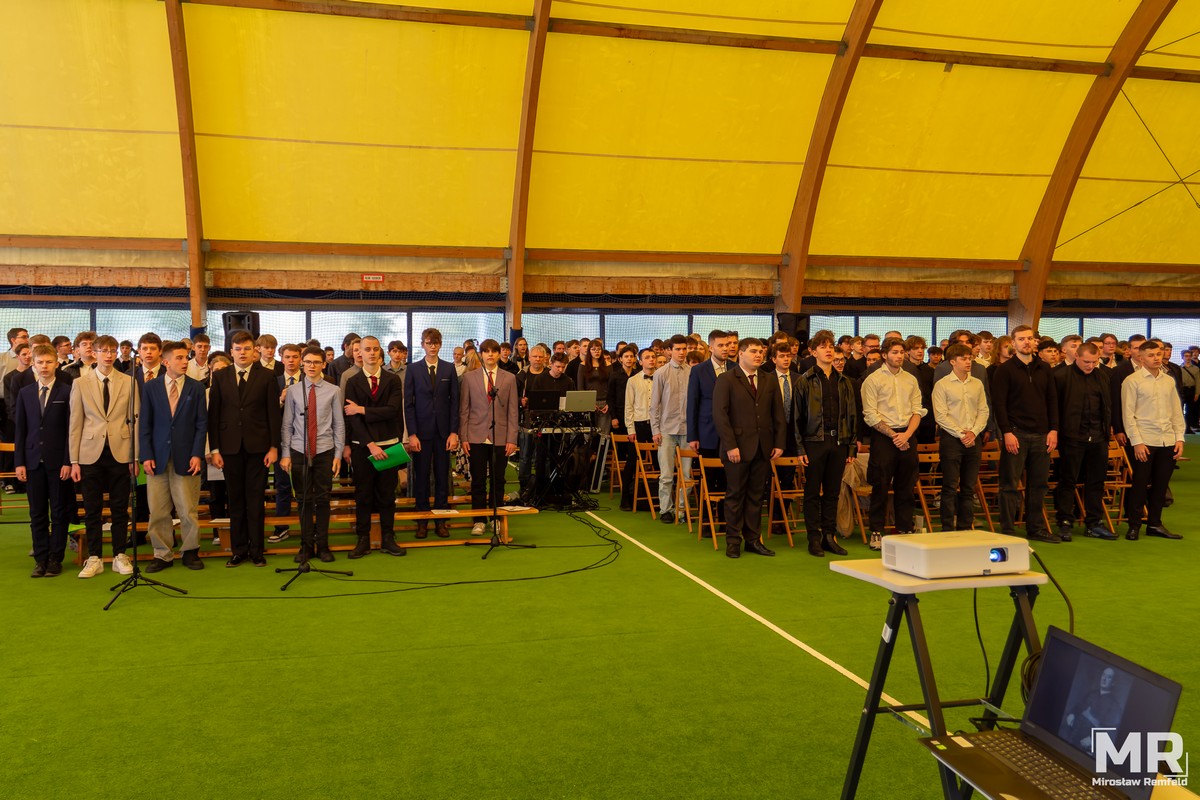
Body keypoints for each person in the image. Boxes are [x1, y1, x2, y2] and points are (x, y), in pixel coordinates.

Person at [208, 330, 282, 567]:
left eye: (247, 349)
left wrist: (273, 447)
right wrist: (215, 449)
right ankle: (238, 550)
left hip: (259, 448)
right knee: (235, 500)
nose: (242, 353)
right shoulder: (220, 376)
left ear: (254, 351)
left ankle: (257, 550)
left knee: (256, 500)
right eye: (238, 349)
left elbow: (273, 414)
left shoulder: (267, 376)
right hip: (229, 449)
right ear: (231, 352)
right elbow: (214, 415)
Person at [69, 335, 139, 579]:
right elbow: (75, 423)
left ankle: (120, 554)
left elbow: (136, 420)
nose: (109, 355)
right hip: (90, 453)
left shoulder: (129, 381)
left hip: (121, 451)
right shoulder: (80, 383)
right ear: (94, 353)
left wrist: (135, 457)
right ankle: (94, 557)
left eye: (112, 351)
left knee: (120, 508)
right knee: (92, 509)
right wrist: (74, 460)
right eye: (103, 351)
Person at [712, 338, 784, 559]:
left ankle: (753, 540)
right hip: (736, 449)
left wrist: (779, 443)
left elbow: (778, 413)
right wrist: (730, 445)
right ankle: (733, 541)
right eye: (753, 351)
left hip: (763, 447)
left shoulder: (769, 379)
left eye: (761, 352)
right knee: (735, 495)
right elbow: (720, 415)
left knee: (756, 496)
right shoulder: (726, 379)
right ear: (741, 353)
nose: (758, 355)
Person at [139, 341, 208, 572]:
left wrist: (197, 453)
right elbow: (145, 424)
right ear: (165, 362)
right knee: (158, 510)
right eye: (179, 358)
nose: (184, 361)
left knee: (187, 508)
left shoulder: (196, 388)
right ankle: (162, 553)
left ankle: (190, 551)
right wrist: (146, 454)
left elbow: (201, 424)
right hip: (157, 457)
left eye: (186, 357)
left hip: (187, 456)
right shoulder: (150, 388)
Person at [991, 325, 1059, 543]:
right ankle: (1008, 529)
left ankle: (1036, 528)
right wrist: (1007, 432)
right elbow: (999, 405)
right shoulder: (1005, 370)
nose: (1026, 342)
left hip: (1042, 435)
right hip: (1016, 434)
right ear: (1013, 342)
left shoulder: (1044, 368)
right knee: (1009, 485)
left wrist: (1053, 430)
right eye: (1021, 339)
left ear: (1035, 342)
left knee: (1039, 485)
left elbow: (1052, 401)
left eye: (1030, 338)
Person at [793, 332, 859, 555]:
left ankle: (829, 536)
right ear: (813, 352)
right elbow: (797, 417)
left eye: (831, 346)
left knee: (833, 492)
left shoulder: (844, 382)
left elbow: (852, 415)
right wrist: (800, 447)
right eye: (823, 346)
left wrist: (851, 446)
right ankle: (813, 538)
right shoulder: (804, 381)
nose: (828, 350)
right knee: (812, 492)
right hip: (814, 442)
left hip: (839, 442)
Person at [280, 346, 345, 562]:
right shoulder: (293, 391)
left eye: (316, 362)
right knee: (303, 499)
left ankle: (323, 545)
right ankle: (306, 546)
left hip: (325, 450)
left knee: (323, 499)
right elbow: (287, 424)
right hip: (299, 450)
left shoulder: (334, 390)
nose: (311, 366)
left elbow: (339, 424)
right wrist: (286, 453)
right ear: (302, 363)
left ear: (323, 364)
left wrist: (338, 454)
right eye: (307, 362)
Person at [343, 336, 406, 557]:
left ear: (380, 353)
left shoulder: (393, 380)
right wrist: (370, 445)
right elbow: (352, 418)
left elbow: (392, 410)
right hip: (363, 447)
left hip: (389, 446)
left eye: (375, 349)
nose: (371, 353)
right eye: (367, 349)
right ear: (359, 352)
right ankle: (363, 539)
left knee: (387, 495)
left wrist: (362, 409)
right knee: (363, 495)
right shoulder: (352, 381)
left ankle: (388, 537)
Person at [14, 344, 73, 577]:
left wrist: (68, 461)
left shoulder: (67, 391)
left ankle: (55, 558)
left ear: (57, 364)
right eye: (40, 362)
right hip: (32, 461)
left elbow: (71, 430)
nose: (45, 366)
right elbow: (20, 430)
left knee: (59, 512)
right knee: (37, 513)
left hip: (59, 463)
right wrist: (19, 462)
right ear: (33, 365)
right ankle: (40, 558)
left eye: (49, 362)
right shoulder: (25, 393)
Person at [860, 337, 926, 541]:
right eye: (895, 352)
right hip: (883, 437)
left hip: (907, 435)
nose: (899, 356)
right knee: (880, 486)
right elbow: (870, 414)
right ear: (884, 355)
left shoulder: (910, 379)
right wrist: (893, 435)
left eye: (901, 352)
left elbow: (918, 410)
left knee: (906, 486)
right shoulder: (873, 380)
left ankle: (905, 530)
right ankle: (876, 531)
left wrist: (906, 435)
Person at [1122, 339, 1185, 541]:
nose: (1156, 358)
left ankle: (1155, 524)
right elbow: (1128, 415)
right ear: (1141, 358)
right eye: (1151, 355)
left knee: (1161, 484)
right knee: (1139, 485)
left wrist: (1179, 438)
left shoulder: (1169, 380)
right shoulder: (1132, 381)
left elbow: (1176, 411)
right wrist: (1137, 442)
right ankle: (1134, 525)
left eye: (1158, 354)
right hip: (1144, 440)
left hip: (1167, 439)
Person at [1052, 342, 1115, 541]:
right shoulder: (1060, 376)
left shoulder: (1103, 376)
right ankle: (1065, 522)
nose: (1090, 365)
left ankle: (1094, 523)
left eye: (1094, 362)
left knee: (1097, 481)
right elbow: (1054, 407)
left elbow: (1107, 405)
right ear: (1076, 357)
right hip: (1071, 437)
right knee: (1067, 480)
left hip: (1098, 437)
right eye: (1086, 361)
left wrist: (1108, 428)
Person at [459, 339, 518, 536]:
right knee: (477, 480)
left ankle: (495, 517)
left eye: (494, 351)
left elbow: (513, 411)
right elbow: (464, 409)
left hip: (500, 436)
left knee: (498, 479)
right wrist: (464, 437)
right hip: (475, 436)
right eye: (486, 351)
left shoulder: (509, 378)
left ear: (499, 354)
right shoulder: (469, 378)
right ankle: (479, 519)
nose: (490, 355)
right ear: (481, 354)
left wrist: (512, 439)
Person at [405, 328, 460, 539]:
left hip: (444, 433)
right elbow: (408, 404)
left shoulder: (449, 368)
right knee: (421, 478)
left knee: (442, 476)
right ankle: (422, 521)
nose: (433, 346)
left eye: (436, 343)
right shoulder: (413, 369)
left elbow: (455, 403)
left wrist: (454, 432)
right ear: (423, 345)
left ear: (440, 344)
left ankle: (441, 520)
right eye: (429, 343)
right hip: (421, 433)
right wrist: (412, 434)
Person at [932, 343, 989, 534]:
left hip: (973, 438)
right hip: (951, 439)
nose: (968, 362)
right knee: (949, 486)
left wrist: (974, 432)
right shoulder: (942, 385)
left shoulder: (977, 384)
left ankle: (965, 527)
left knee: (968, 487)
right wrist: (961, 433)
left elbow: (983, 410)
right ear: (952, 362)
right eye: (963, 359)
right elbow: (940, 415)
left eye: (969, 358)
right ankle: (948, 529)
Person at [687, 330, 736, 533]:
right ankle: (707, 522)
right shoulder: (699, 370)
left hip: (731, 433)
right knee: (708, 479)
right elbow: (692, 403)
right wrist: (692, 436)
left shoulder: (735, 368)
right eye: (721, 345)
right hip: (706, 432)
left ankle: (725, 521)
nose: (725, 349)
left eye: (728, 345)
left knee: (728, 479)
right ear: (711, 347)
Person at [621, 348, 657, 511]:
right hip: (639, 424)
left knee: (659, 461)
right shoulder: (633, 380)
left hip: (657, 425)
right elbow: (628, 407)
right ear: (640, 362)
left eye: (653, 357)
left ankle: (658, 500)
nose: (651, 360)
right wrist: (631, 430)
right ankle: (625, 499)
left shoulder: (661, 378)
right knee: (632, 462)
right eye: (647, 357)